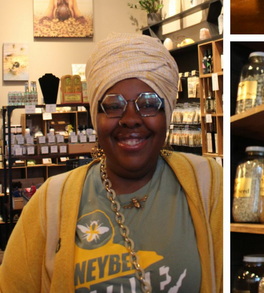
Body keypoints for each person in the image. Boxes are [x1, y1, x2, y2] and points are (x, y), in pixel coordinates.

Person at [0, 33, 222, 293]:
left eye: (148, 103)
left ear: (167, 113)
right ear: (96, 115)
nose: (130, 119)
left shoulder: (207, 183)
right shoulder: (50, 202)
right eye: (113, 105)